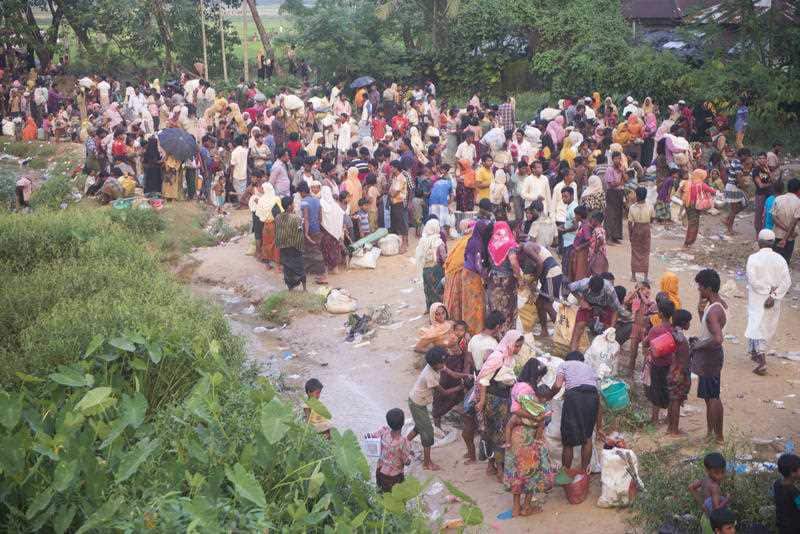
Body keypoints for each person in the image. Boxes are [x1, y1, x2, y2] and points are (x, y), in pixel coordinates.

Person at [503, 360, 552, 518]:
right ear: (535, 375)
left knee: (517, 472)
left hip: (516, 434)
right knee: (531, 471)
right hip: (528, 435)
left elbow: (515, 410)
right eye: (539, 377)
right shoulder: (528, 389)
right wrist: (538, 418)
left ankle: (516, 508)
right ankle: (526, 507)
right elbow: (519, 410)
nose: (539, 380)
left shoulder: (517, 385)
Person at [476, 330, 524, 482]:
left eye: (520, 346)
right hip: (493, 400)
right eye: (516, 346)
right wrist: (482, 401)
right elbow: (483, 379)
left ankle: (492, 465)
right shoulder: (497, 357)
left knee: (494, 432)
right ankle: (499, 469)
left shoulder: (510, 358)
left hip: (504, 399)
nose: (518, 349)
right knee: (498, 434)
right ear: (510, 343)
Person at [407, 347, 465, 471]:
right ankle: (427, 463)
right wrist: (459, 388)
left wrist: (467, 375)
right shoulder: (429, 375)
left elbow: (453, 374)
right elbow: (443, 392)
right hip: (417, 403)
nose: (444, 365)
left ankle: (404, 444)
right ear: (434, 364)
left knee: (420, 426)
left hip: (419, 401)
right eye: (442, 363)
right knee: (427, 432)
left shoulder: (438, 365)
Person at [547, 351, 602, 474]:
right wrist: (599, 427)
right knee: (587, 438)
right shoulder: (590, 369)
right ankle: (584, 472)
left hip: (574, 397)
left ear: (567, 359)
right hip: (592, 397)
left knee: (568, 441)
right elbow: (599, 400)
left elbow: (557, 385)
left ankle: (565, 473)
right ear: (581, 360)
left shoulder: (564, 365)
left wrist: (548, 396)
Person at [745, 229, 791, 376]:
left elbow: (752, 280)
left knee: (756, 324)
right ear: (773, 243)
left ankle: (762, 360)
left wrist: (766, 291)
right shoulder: (781, 259)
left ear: (759, 242)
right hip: (773, 300)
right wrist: (773, 295)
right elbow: (786, 282)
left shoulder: (753, 258)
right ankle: (755, 352)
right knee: (767, 326)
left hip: (758, 297)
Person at [692, 269, 728, 444]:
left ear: (708, 288)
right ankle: (712, 434)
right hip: (712, 357)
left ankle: (717, 436)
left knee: (712, 397)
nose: (699, 290)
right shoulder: (719, 304)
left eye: (700, 287)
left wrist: (698, 345)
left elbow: (717, 338)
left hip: (710, 358)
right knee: (711, 396)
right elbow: (710, 327)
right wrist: (701, 310)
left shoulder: (713, 311)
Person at [432, 320, 475, 427]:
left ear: (465, 332)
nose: (458, 333)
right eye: (457, 330)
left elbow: (466, 357)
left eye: (462, 330)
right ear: (453, 330)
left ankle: (440, 415)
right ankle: (437, 417)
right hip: (449, 369)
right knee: (443, 392)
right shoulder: (451, 340)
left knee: (456, 393)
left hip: (457, 369)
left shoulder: (465, 341)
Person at [566, 275, 627, 351]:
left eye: (597, 293)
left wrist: (611, 329)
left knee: (608, 332)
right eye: (593, 292)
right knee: (579, 327)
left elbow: (615, 309)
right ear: (589, 286)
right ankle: (573, 353)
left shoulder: (609, 290)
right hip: (588, 303)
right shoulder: (583, 283)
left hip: (606, 305)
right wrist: (581, 300)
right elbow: (569, 287)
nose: (595, 296)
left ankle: (604, 352)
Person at [516, 240, 563, 336]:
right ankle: (544, 331)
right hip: (548, 275)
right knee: (539, 303)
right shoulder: (529, 247)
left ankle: (561, 333)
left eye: (520, 260)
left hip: (552, 274)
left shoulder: (527, 248)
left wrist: (534, 280)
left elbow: (540, 263)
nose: (521, 262)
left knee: (547, 305)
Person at [643, 298, 676, 425]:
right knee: (669, 390)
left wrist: (647, 352)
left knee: (655, 391)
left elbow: (645, 343)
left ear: (660, 314)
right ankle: (668, 418)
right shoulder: (675, 330)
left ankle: (655, 419)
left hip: (657, 365)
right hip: (670, 365)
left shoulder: (655, 330)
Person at [485, 221, 520, 336]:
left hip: (493, 280)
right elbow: (514, 262)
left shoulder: (491, 243)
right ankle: (506, 335)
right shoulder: (510, 244)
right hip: (506, 282)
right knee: (507, 308)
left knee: (495, 307)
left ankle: (495, 334)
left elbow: (489, 262)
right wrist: (519, 277)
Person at [364, 408, 411, 493]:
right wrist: (409, 460)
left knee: (380, 491)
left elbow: (371, 436)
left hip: (380, 471)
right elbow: (406, 461)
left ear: (388, 422)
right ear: (403, 423)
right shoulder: (403, 442)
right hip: (394, 476)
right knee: (394, 496)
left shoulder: (384, 430)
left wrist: (368, 436)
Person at [689, 452, 730, 534]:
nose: (720, 476)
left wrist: (702, 504)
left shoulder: (705, 479)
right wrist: (727, 499)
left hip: (705, 518)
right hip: (713, 523)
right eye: (716, 473)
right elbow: (716, 510)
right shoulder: (714, 487)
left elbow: (691, 487)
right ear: (707, 470)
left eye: (723, 472)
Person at [667, 309, 692, 436]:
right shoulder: (681, 336)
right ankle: (674, 430)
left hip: (672, 370)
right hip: (679, 373)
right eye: (689, 322)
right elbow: (684, 356)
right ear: (683, 322)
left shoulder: (673, 332)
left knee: (672, 400)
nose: (690, 324)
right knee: (676, 401)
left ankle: (670, 428)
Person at [275, 196, 306, 291]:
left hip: (283, 246)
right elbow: (300, 232)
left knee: (287, 268)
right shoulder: (296, 218)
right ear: (289, 206)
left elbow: (278, 231)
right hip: (295, 247)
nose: (294, 205)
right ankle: (304, 289)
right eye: (292, 203)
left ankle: (290, 288)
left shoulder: (278, 217)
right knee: (299, 267)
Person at [298, 182, 327, 284]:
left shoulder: (304, 202)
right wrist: (317, 227)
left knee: (315, 252)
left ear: (302, 192)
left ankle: (322, 275)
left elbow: (306, 218)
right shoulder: (317, 200)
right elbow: (320, 218)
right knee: (309, 250)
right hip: (316, 229)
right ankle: (308, 271)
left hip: (309, 230)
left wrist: (306, 233)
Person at [680, 169, 716, 248]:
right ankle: (687, 242)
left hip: (687, 205)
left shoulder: (688, 182)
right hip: (695, 206)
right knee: (693, 224)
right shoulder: (701, 184)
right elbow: (712, 191)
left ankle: (690, 241)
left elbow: (681, 190)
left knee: (691, 222)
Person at [624, 281, 655, 373]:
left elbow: (648, 302)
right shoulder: (635, 300)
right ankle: (630, 372)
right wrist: (635, 291)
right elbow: (626, 301)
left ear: (648, 291)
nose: (640, 291)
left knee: (646, 353)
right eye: (639, 289)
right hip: (636, 327)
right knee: (632, 353)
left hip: (646, 329)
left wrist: (640, 293)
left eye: (643, 289)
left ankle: (644, 374)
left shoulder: (651, 301)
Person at [628, 186, 655, 281]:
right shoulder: (650, 206)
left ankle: (633, 276)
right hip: (646, 229)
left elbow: (630, 223)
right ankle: (645, 277)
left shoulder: (632, 207)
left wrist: (630, 235)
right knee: (645, 252)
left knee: (635, 252)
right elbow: (652, 218)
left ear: (637, 196)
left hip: (636, 230)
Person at [772, 178, 800, 265]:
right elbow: (794, 222)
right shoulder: (798, 202)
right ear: (798, 190)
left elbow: (774, 218)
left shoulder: (778, 199)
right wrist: (785, 238)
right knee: (785, 262)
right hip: (790, 237)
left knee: (775, 260)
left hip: (776, 235)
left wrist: (784, 232)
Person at [319, 185, 346, 275]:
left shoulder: (321, 203)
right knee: (334, 249)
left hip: (325, 232)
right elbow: (341, 214)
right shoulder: (334, 204)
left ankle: (326, 270)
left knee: (326, 250)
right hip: (335, 232)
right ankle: (335, 269)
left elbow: (320, 218)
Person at [774, 453, 800, 534]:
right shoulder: (794, 492)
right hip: (794, 528)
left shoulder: (777, 484)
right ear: (793, 472)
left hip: (782, 526)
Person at [603, 152, 625, 243]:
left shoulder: (621, 168)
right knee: (611, 214)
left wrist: (622, 172)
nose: (618, 160)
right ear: (612, 159)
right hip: (612, 193)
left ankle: (616, 236)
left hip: (620, 192)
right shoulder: (609, 169)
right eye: (616, 158)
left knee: (618, 214)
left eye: (619, 158)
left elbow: (626, 179)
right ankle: (608, 237)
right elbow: (611, 184)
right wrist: (620, 181)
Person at [388, 160, 410, 254]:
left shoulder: (401, 178)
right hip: (395, 202)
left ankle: (404, 243)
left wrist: (391, 194)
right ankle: (403, 241)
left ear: (396, 168)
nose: (391, 169)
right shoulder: (395, 177)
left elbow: (394, 192)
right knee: (397, 222)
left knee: (402, 222)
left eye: (392, 167)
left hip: (399, 202)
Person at [587, 211, 608, 275]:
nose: (591, 221)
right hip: (601, 254)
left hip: (598, 254)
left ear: (596, 220)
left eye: (592, 220)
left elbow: (601, 239)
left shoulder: (597, 230)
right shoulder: (601, 229)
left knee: (596, 271)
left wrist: (596, 249)